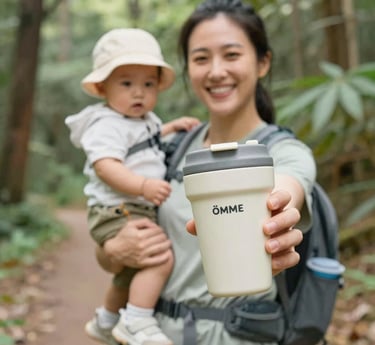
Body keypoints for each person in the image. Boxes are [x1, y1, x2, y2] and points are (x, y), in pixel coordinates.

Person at [97, 0, 317, 344]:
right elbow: (111, 252)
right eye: (201, 58)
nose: (216, 71)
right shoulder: (170, 148)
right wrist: (114, 250)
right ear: (188, 69)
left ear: (263, 62)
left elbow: (290, 184)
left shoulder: (283, 151)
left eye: (231, 55)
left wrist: (279, 213)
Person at [65, 28, 200, 345]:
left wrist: (171, 127)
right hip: (118, 208)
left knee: (129, 273)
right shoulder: (105, 124)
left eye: (148, 84)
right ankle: (136, 321)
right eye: (127, 83)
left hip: (132, 207)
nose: (139, 93)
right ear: (102, 87)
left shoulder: (142, 121)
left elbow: (144, 142)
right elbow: (106, 165)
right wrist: (142, 185)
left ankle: (106, 320)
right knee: (159, 257)